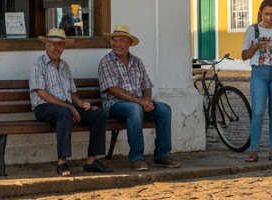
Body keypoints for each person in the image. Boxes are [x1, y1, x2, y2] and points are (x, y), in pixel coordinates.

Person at [29, 27, 112, 177]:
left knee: (99, 113)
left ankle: (91, 161)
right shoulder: (38, 64)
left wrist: (80, 104)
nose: (56, 48)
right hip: (44, 108)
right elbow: (41, 93)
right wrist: (69, 107)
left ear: (64, 46)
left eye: (59, 44)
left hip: (66, 108)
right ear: (46, 45)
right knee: (65, 112)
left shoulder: (64, 66)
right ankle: (62, 162)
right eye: (52, 44)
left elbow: (72, 93)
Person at [98, 24, 180, 171]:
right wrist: (140, 101)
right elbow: (113, 89)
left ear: (129, 43)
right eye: (114, 40)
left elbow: (146, 85)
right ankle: (137, 157)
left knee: (164, 109)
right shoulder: (106, 62)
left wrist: (147, 100)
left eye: (121, 40)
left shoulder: (137, 62)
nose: (117, 44)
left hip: (139, 104)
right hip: (115, 105)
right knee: (134, 109)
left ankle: (162, 155)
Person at [240, 0, 272, 162]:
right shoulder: (253, 30)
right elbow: (243, 55)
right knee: (258, 112)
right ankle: (254, 150)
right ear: (261, 13)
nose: (270, 17)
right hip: (259, 73)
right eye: (267, 14)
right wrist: (255, 47)